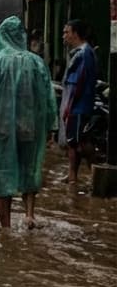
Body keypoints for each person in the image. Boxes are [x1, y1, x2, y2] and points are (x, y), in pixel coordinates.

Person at [0, 16, 56, 230]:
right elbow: (48, 97)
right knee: (29, 169)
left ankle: (5, 228)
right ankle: (29, 216)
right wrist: (52, 127)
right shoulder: (36, 62)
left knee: (1, 175)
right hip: (29, 126)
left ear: (1, 36)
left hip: (0, 128)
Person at [57, 18, 98, 185]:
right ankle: (72, 174)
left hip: (78, 105)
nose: (64, 36)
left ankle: (95, 171)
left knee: (79, 142)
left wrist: (70, 105)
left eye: (66, 32)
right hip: (76, 104)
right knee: (73, 142)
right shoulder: (79, 53)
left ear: (75, 34)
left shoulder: (84, 53)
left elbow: (79, 82)